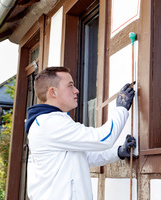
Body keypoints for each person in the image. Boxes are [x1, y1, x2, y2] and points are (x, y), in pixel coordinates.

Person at [25, 66, 136, 200]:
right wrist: (121, 109)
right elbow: (103, 138)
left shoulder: (48, 122)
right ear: (53, 92)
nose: (76, 91)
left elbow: (84, 157)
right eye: (70, 86)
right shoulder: (50, 123)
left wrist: (118, 152)